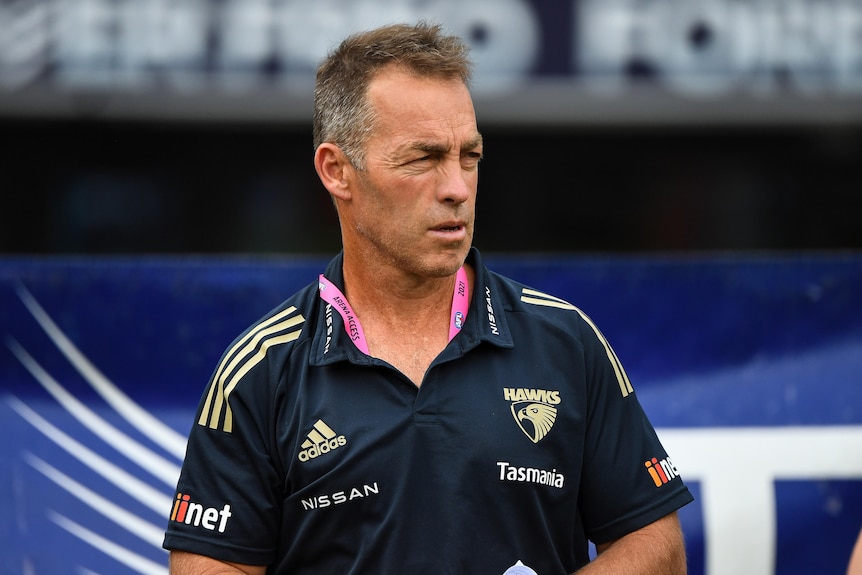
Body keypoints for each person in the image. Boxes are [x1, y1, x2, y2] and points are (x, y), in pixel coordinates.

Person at [163, 21, 694, 574]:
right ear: (337, 171)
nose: (457, 188)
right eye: (423, 158)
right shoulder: (260, 371)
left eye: (469, 156)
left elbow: (657, 546)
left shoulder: (566, 341)